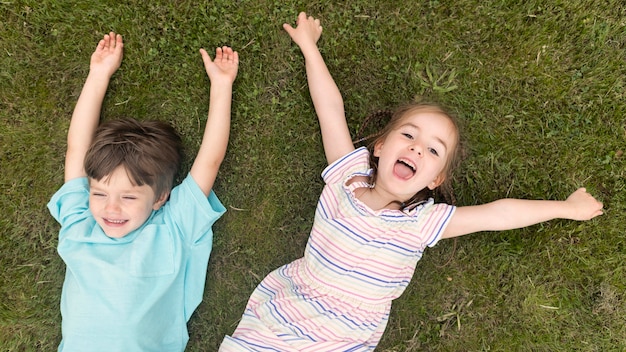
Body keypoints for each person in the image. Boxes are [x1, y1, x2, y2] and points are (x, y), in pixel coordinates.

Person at [219, 12, 604, 351]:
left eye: (433, 151)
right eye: (409, 136)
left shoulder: (423, 222)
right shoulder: (345, 176)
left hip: (344, 337)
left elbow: (496, 214)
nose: (418, 149)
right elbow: (330, 109)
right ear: (382, 147)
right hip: (285, 314)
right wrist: (309, 47)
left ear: (435, 179)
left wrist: (567, 208)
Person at [47, 32, 238, 351]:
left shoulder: (173, 227)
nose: (111, 209)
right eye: (100, 194)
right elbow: (76, 149)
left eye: (129, 197)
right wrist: (98, 74)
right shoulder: (80, 223)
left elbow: (210, 161)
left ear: (160, 198)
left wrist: (222, 87)